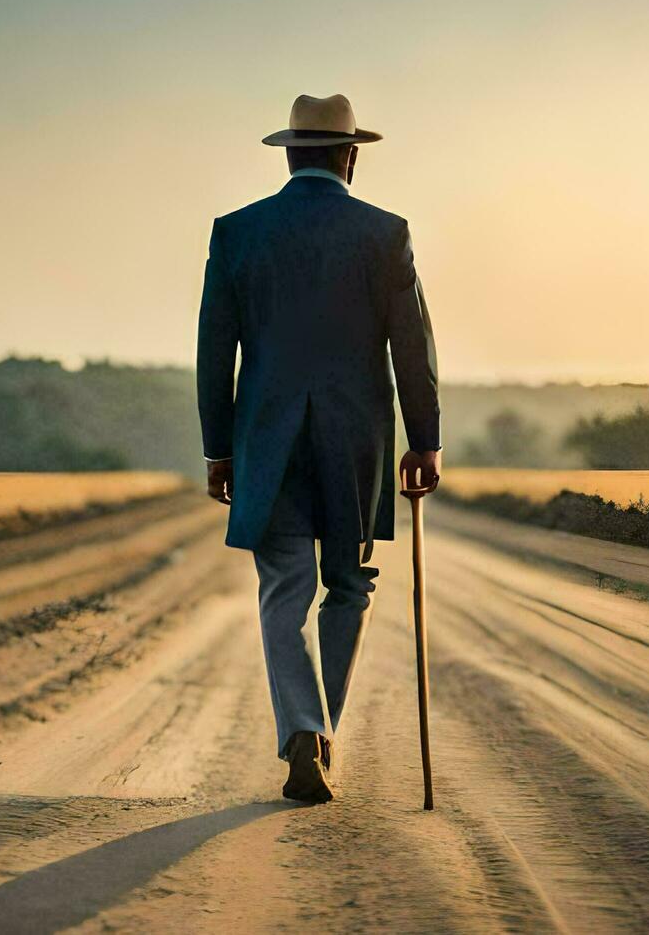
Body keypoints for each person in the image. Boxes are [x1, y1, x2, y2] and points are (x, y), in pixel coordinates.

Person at [196, 93, 442, 803]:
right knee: (348, 586)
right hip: (355, 440)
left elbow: (216, 353)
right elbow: (413, 346)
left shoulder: (237, 233)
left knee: (283, 591)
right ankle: (322, 731)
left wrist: (219, 450)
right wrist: (423, 442)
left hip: (265, 441)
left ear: (290, 154)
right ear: (350, 156)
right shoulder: (384, 233)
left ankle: (304, 728)